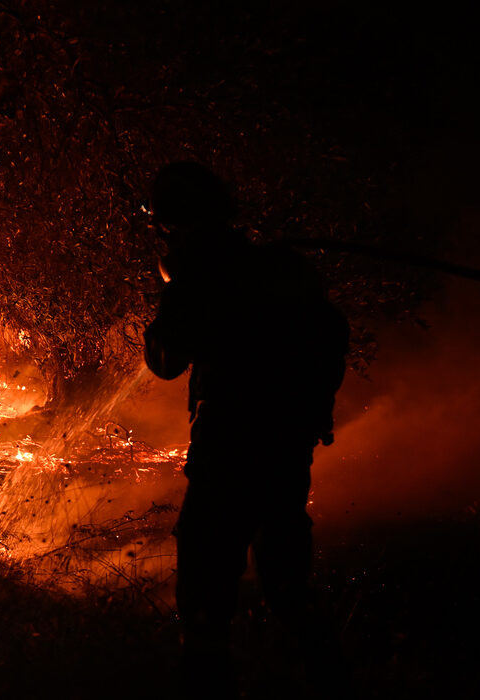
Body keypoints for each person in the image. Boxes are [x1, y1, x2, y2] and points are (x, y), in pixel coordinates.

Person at [143, 161, 349, 691]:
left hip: (228, 450)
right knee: (287, 582)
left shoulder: (203, 277)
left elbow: (166, 360)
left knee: (206, 588)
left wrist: (173, 288)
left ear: (175, 222)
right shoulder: (277, 270)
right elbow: (329, 335)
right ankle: (333, 676)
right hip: (285, 449)